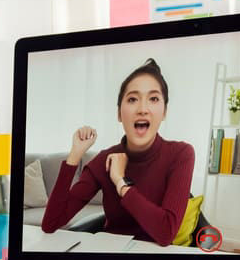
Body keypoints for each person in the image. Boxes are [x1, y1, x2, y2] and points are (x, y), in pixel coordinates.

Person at [41, 58, 195, 246]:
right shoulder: (103, 160)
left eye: (153, 99)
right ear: (119, 114)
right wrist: (75, 155)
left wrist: (121, 183)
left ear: (164, 112)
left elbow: (166, 233)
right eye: (132, 99)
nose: (143, 109)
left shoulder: (181, 154)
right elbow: (50, 223)